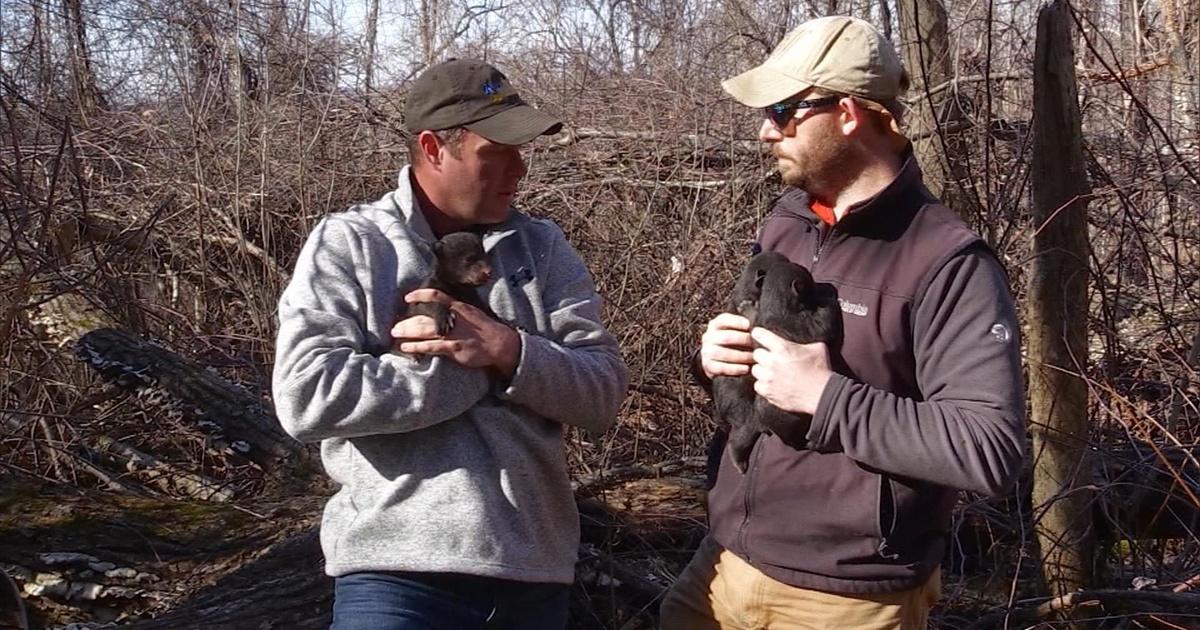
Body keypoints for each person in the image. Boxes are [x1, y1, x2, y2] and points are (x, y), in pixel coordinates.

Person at [660, 16, 1026, 630]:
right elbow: (762, 387)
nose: (764, 130)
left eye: (781, 111)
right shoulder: (786, 223)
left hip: (849, 598)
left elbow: (988, 450)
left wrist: (826, 397)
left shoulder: (946, 261)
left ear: (849, 114)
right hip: (724, 559)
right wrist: (718, 363)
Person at [272, 58, 629, 630]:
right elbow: (307, 396)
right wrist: (460, 369)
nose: (519, 167)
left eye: (523, 149)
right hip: (396, 576)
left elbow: (603, 391)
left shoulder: (542, 247)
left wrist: (508, 351)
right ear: (434, 148)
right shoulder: (352, 244)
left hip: (533, 576)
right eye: (497, 151)